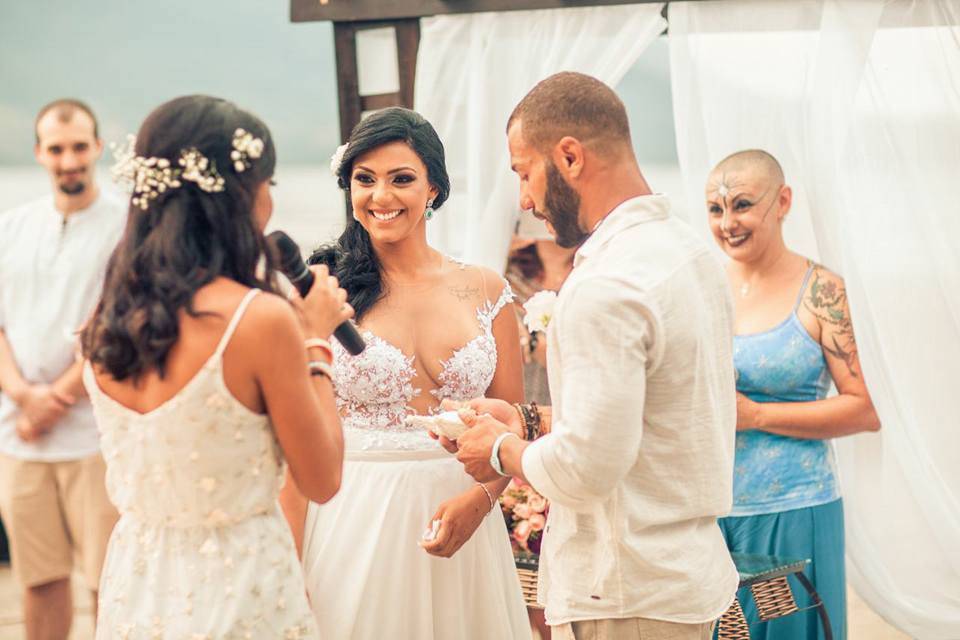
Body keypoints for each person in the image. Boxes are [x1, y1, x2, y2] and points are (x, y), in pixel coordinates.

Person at [448, 71, 740, 640]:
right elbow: (656, 422)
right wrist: (529, 420)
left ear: (570, 157)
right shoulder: (688, 252)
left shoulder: (607, 282)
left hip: (624, 587)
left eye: (524, 172)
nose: (525, 200)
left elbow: (586, 471)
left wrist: (500, 449)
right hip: (684, 574)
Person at [80, 95, 349, 638]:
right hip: (242, 586)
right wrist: (316, 340)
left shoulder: (105, 320)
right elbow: (322, 480)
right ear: (242, 194)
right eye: (269, 185)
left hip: (137, 583)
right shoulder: (260, 321)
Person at [281, 107, 531, 639]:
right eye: (364, 180)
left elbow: (513, 424)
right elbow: (295, 444)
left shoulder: (487, 290)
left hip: (463, 521)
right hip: (354, 517)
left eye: (401, 179)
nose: (381, 196)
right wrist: (288, 566)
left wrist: (480, 501)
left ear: (435, 189)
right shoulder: (321, 292)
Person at [705, 149, 880, 640]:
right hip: (710, 510)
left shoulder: (822, 291)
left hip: (793, 510)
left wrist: (757, 415)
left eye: (742, 205)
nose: (728, 223)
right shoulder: (705, 286)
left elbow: (864, 409)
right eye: (715, 210)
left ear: (782, 201)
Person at [0, 98, 123, 640]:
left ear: (97, 147)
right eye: (56, 148)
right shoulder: (11, 227)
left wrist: (56, 399)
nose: (69, 159)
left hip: (95, 436)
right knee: (38, 580)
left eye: (78, 146)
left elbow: (121, 324)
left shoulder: (126, 224)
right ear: (39, 153)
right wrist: (24, 398)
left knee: (107, 582)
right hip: (18, 437)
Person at [505, 211, 577, 406]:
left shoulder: (587, 278)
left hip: (565, 405)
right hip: (517, 401)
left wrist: (532, 344)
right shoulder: (508, 274)